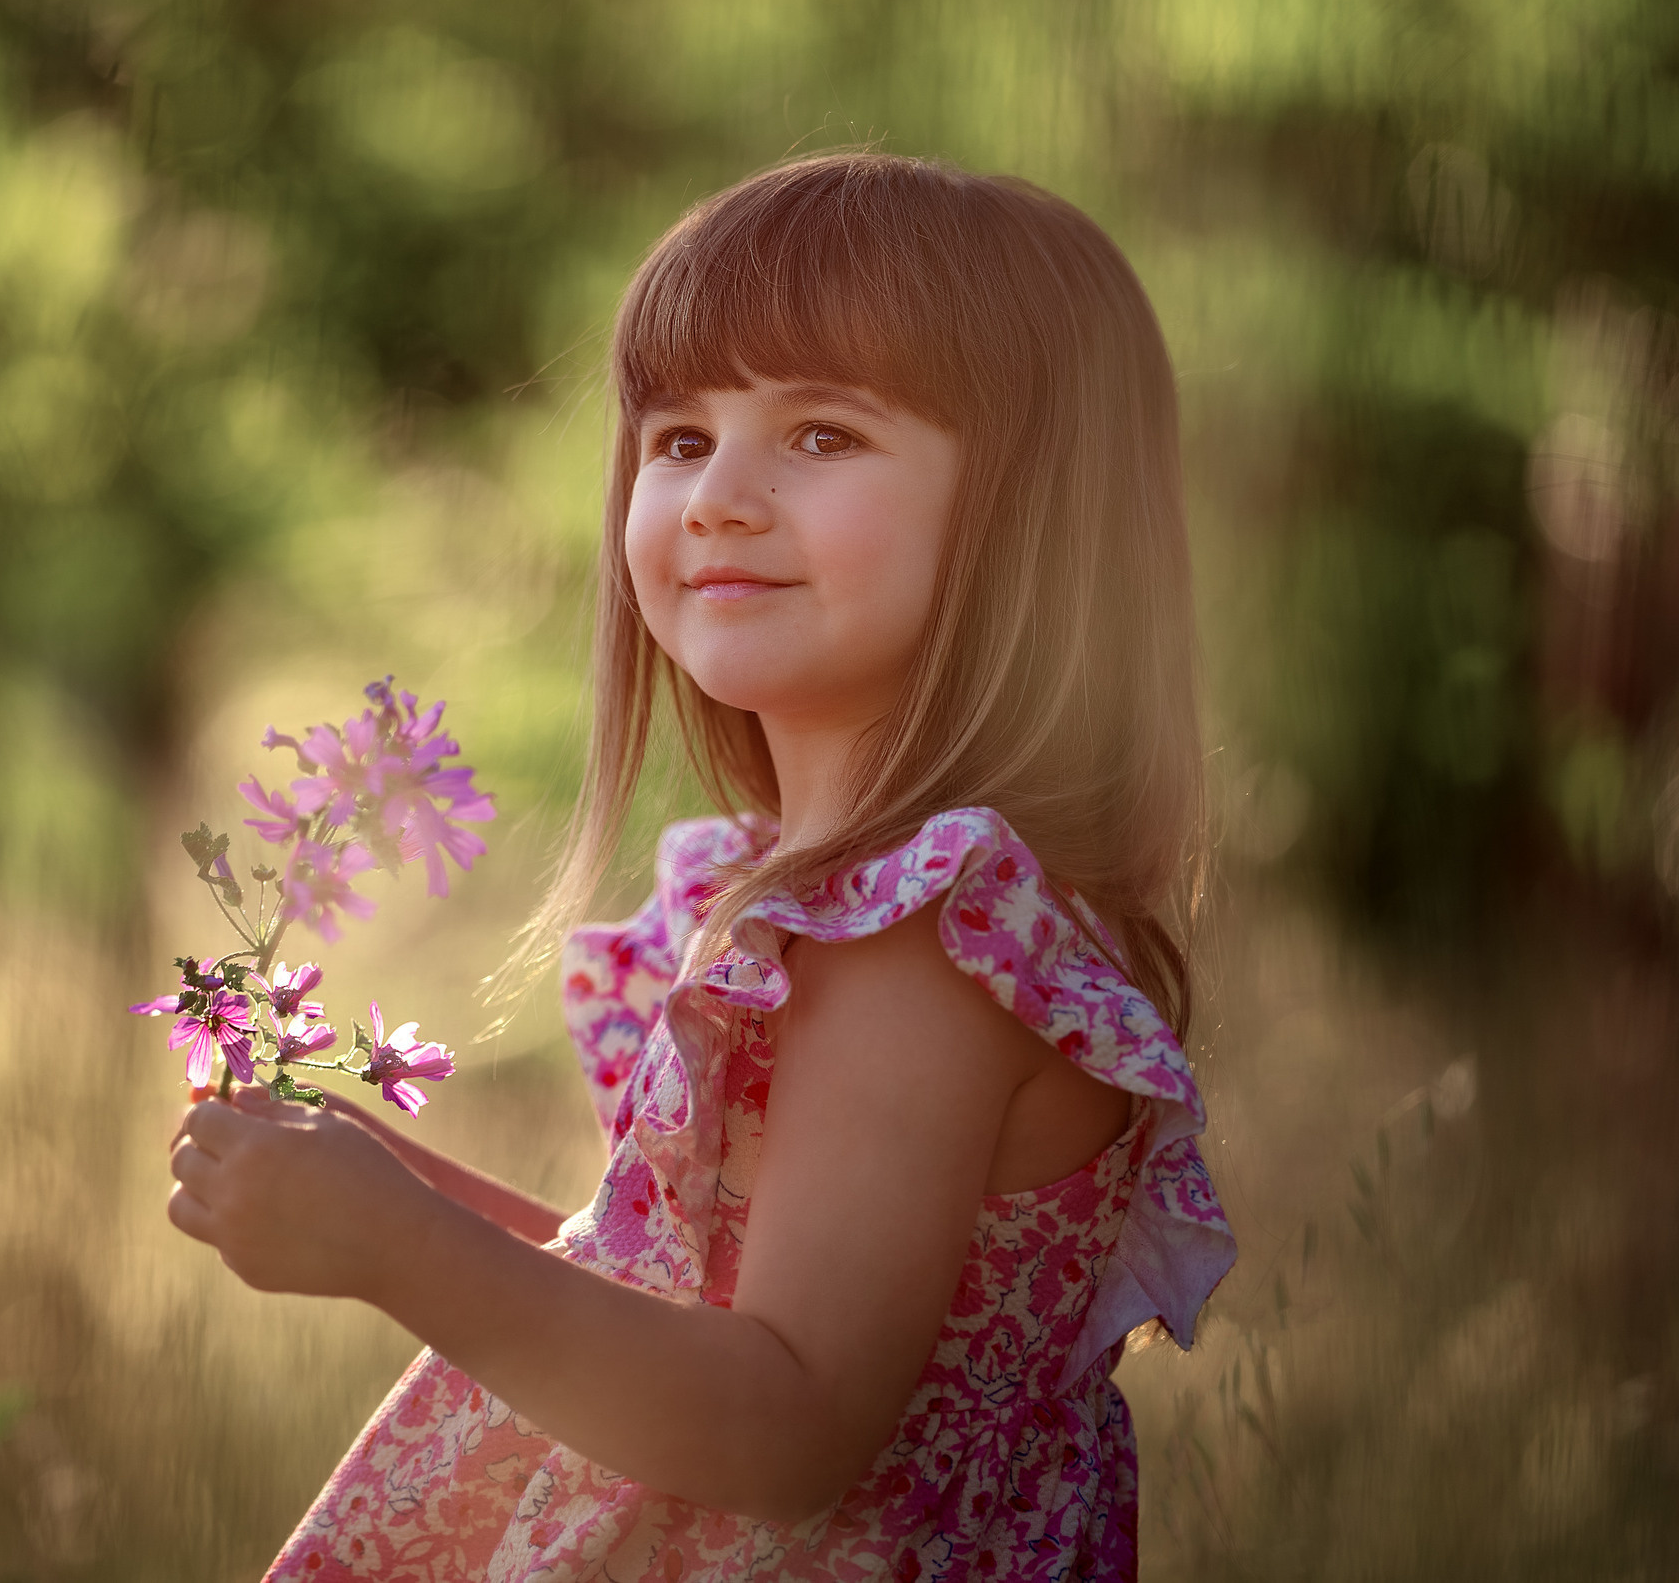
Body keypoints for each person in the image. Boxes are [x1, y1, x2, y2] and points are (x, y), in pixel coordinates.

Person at [163, 151, 1236, 1580]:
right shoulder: (845, 908)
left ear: (1030, 514)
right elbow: (692, 1309)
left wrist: (400, 1249)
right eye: (678, 439)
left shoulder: (916, 942)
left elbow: (784, 1421)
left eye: (823, 437)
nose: (720, 496)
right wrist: (400, 1192)